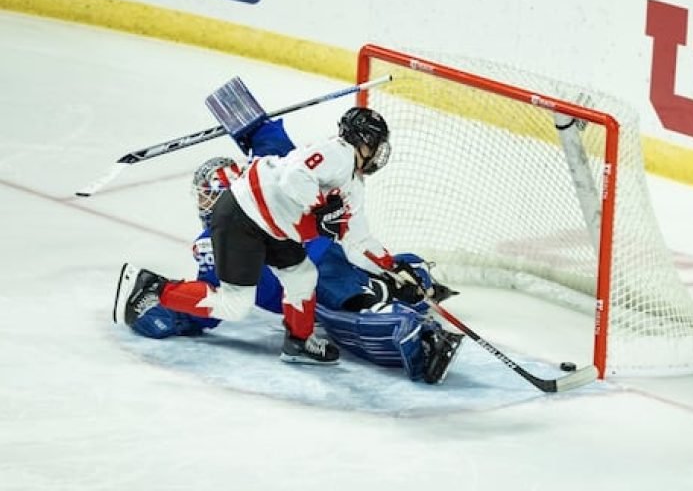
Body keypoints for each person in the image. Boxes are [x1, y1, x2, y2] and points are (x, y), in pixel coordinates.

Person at [115, 108, 463, 379]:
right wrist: (319, 207)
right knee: (236, 305)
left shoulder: (353, 184)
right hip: (243, 214)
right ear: (365, 142)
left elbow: (359, 241)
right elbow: (296, 175)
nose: (379, 154)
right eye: (377, 145)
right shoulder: (336, 153)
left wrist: (391, 266)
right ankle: (155, 289)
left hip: (275, 229)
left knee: (302, 276)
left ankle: (297, 343)